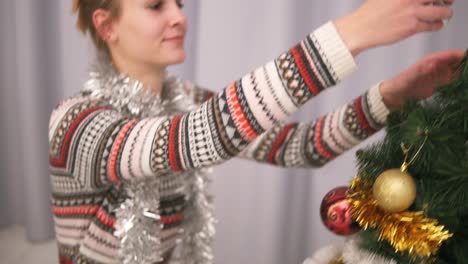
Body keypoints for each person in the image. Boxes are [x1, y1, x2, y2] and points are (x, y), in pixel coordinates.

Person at [48, 0, 464, 263]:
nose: (178, 16)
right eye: (156, 5)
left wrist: (393, 95)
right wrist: (348, 35)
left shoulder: (186, 99)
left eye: (177, 2)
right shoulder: (76, 122)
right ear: (107, 26)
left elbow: (298, 146)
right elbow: (194, 138)